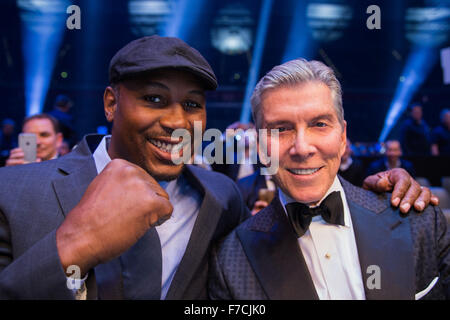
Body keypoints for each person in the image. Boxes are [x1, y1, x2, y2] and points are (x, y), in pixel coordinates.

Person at [0, 37, 435, 300]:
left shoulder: (220, 199)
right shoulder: (12, 191)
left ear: (342, 134)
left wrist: (384, 190)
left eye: (191, 104)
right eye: (154, 98)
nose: (175, 120)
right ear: (111, 103)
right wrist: (73, 247)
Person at [209, 59, 448, 300]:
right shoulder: (230, 260)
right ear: (260, 146)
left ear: (343, 137)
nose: (302, 148)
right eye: (281, 129)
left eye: (320, 124)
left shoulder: (419, 222)